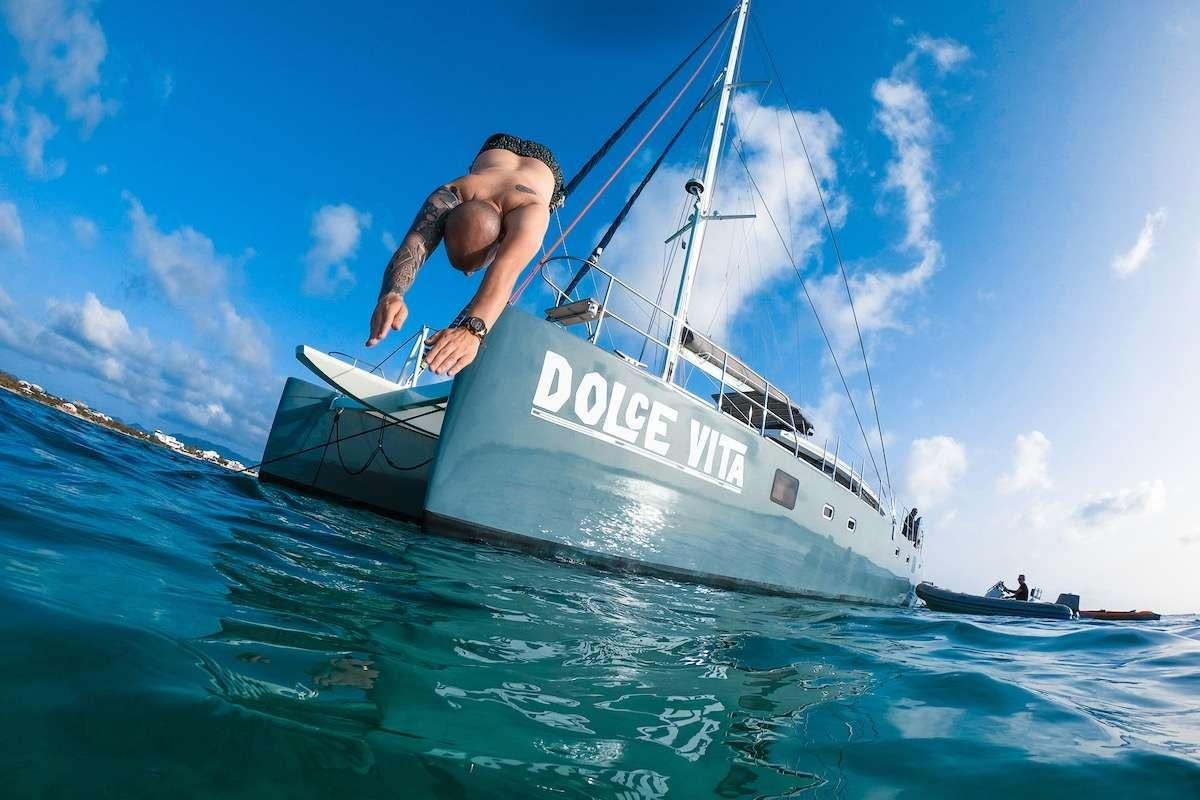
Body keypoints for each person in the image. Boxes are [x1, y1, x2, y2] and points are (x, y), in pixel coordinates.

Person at [365, 133, 564, 376]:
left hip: (538, 168)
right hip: (500, 155)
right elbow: (415, 246)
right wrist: (392, 294)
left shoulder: (532, 210)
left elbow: (503, 273)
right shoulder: (457, 188)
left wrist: (473, 330)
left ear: (501, 240)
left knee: (527, 237)